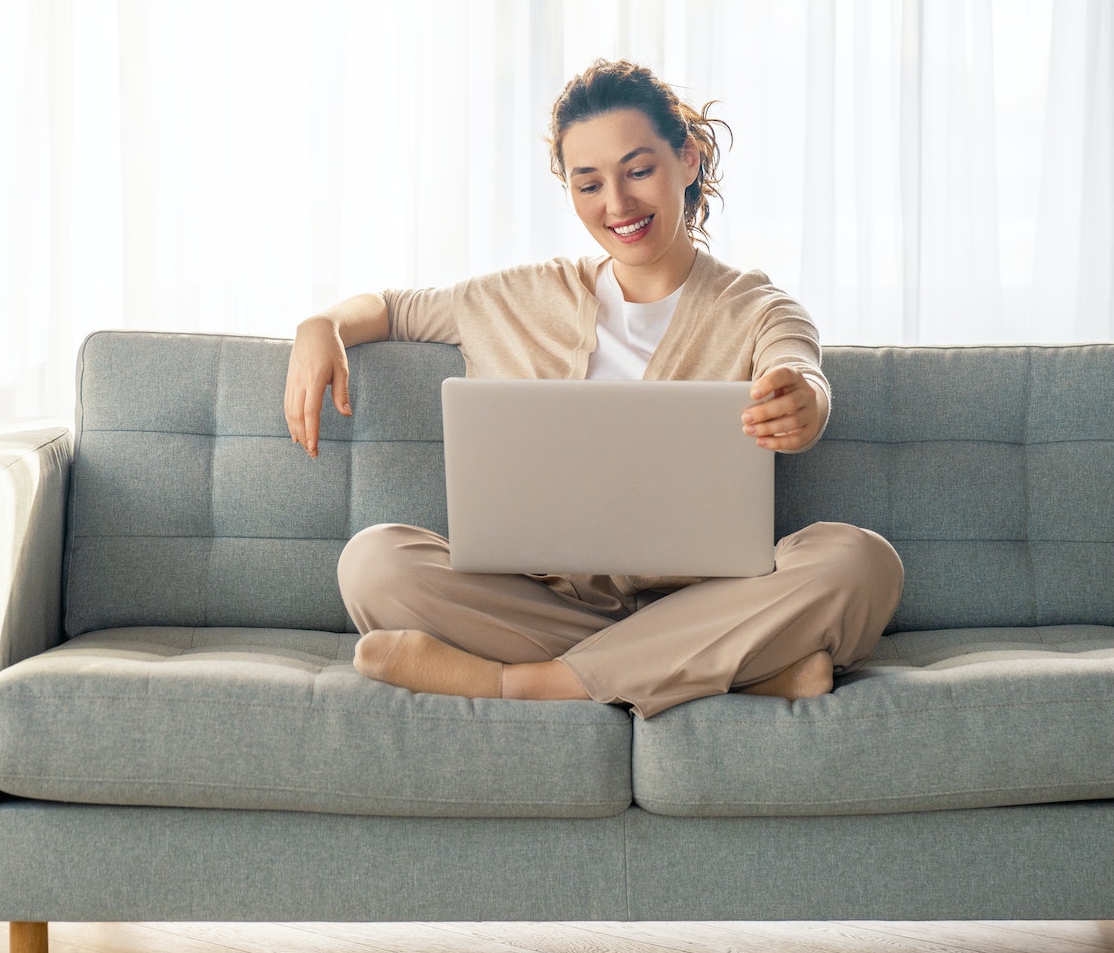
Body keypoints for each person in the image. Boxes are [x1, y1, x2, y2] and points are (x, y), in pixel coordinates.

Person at [283, 60, 903, 718]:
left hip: (708, 602)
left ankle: (522, 683)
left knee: (861, 562)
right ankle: (731, 673)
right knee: (374, 563)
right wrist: (320, 324)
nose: (617, 204)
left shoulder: (758, 307)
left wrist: (803, 402)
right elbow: (392, 307)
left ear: (687, 159)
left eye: (638, 171)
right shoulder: (521, 295)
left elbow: (800, 370)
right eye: (589, 183)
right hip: (543, 606)